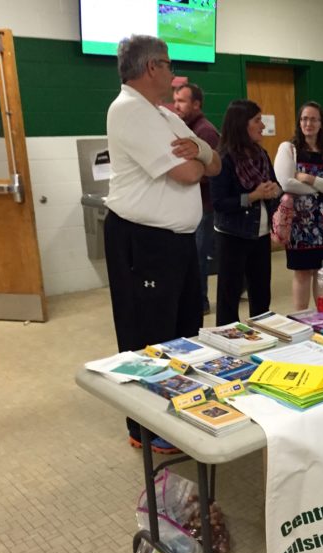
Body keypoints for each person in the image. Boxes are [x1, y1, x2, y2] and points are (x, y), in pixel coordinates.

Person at [103, 35, 221, 453]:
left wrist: (202, 150)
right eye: (168, 65)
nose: (173, 73)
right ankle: (145, 428)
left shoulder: (164, 114)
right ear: (151, 67)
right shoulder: (128, 112)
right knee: (147, 335)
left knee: (185, 330)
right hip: (143, 240)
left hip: (179, 242)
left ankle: (178, 412)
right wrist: (201, 158)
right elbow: (190, 174)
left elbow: (214, 160)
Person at [210, 99, 280, 325]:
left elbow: (276, 185)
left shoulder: (261, 154)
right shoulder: (223, 158)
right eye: (257, 120)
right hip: (232, 236)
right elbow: (219, 202)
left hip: (260, 235)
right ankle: (228, 344)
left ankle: (263, 336)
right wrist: (252, 197)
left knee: (261, 294)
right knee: (229, 297)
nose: (262, 126)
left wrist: (273, 191)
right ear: (242, 124)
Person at [274, 101, 323, 310]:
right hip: (298, 224)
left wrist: (307, 179)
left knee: (322, 272)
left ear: (321, 123)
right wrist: (322, 185)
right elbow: (286, 182)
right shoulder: (289, 149)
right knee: (303, 272)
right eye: (304, 118)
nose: (308, 123)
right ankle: (301, 318)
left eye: (313, 119)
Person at [173, 82, 221, 316]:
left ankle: (200, 301)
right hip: (188, 205)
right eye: (175, 100)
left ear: (196, 104)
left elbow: (211, 171)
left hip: (204, 206)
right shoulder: (182, 128)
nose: (177, 105)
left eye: (182, 101)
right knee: (191, 255)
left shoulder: (205, 131)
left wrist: (184, 174)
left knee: (199, 256)